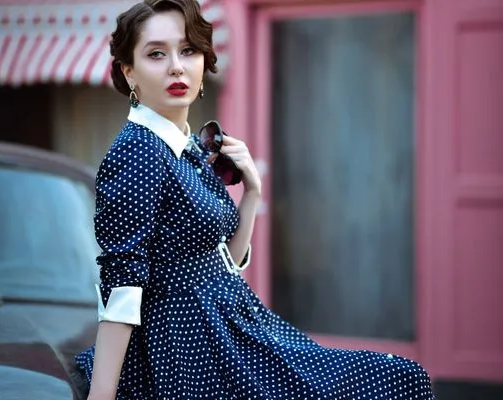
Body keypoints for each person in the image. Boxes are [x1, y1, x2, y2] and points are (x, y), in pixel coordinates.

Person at [75, 0, 436, 399]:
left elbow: (223, 260)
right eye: (156, 54)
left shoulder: (185, 146)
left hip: (238, 326)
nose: (176, 66)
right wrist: (102, 394)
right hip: (191, 348)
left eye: (188, 50)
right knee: (401, 380)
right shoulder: (138, 151)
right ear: (129, 71)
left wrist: (252, 193)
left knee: (401, 378)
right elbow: (122, 281)